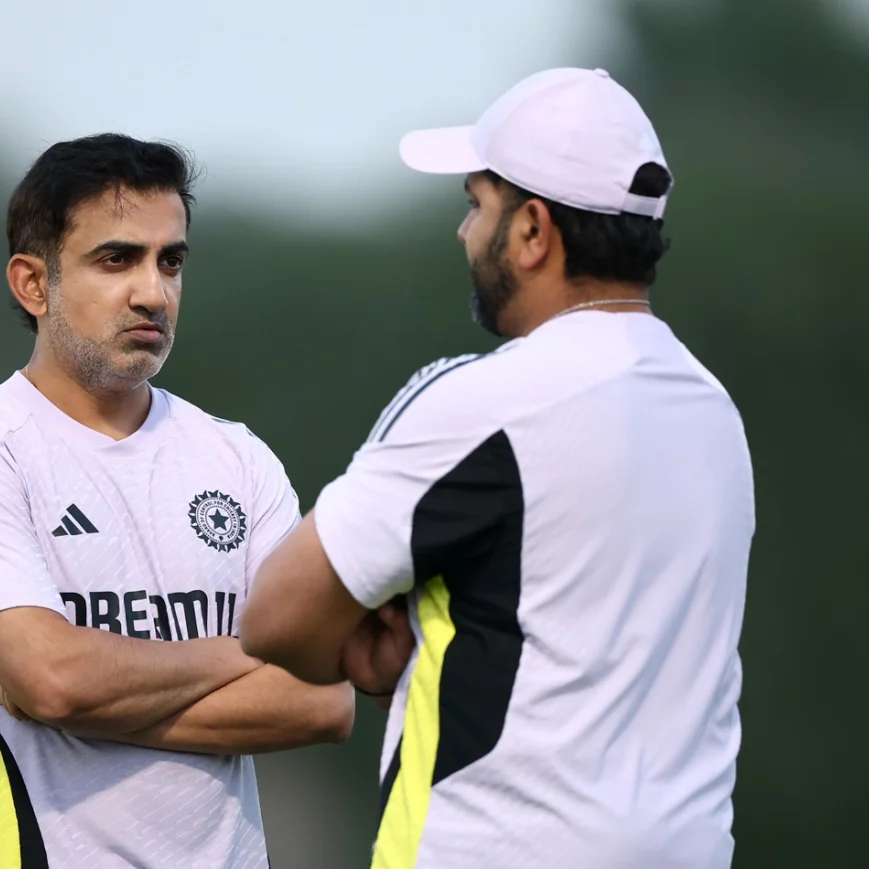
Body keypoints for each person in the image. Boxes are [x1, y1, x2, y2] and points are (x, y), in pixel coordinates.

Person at [240, 68, 754, 869]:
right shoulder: (713, 409)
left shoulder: (481, 399)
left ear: (534, 229)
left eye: (478, 204)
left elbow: (276, 617)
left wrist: (374, 640)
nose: (464, 231)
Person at [0, 133, 354, 869]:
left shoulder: (238, 456)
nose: (153, 292)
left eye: (170, 261)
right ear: (32, 284)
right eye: (117, 259)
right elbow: (54, 679)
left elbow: (323, 701)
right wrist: (245, 653)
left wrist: (93, 699)